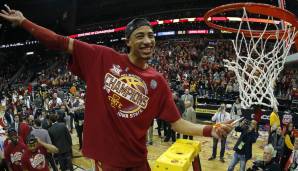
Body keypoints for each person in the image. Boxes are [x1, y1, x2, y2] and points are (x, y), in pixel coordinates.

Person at [0, 6, 234, 170]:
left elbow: (177, 122)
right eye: (140, 36)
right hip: (109, 162)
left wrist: (210, 130)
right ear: (128, 41)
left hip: (138, 160)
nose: (148, 41)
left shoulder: (158, 81)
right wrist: (23, 22)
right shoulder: (102, 57)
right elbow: (59, 41)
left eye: (151, 36)